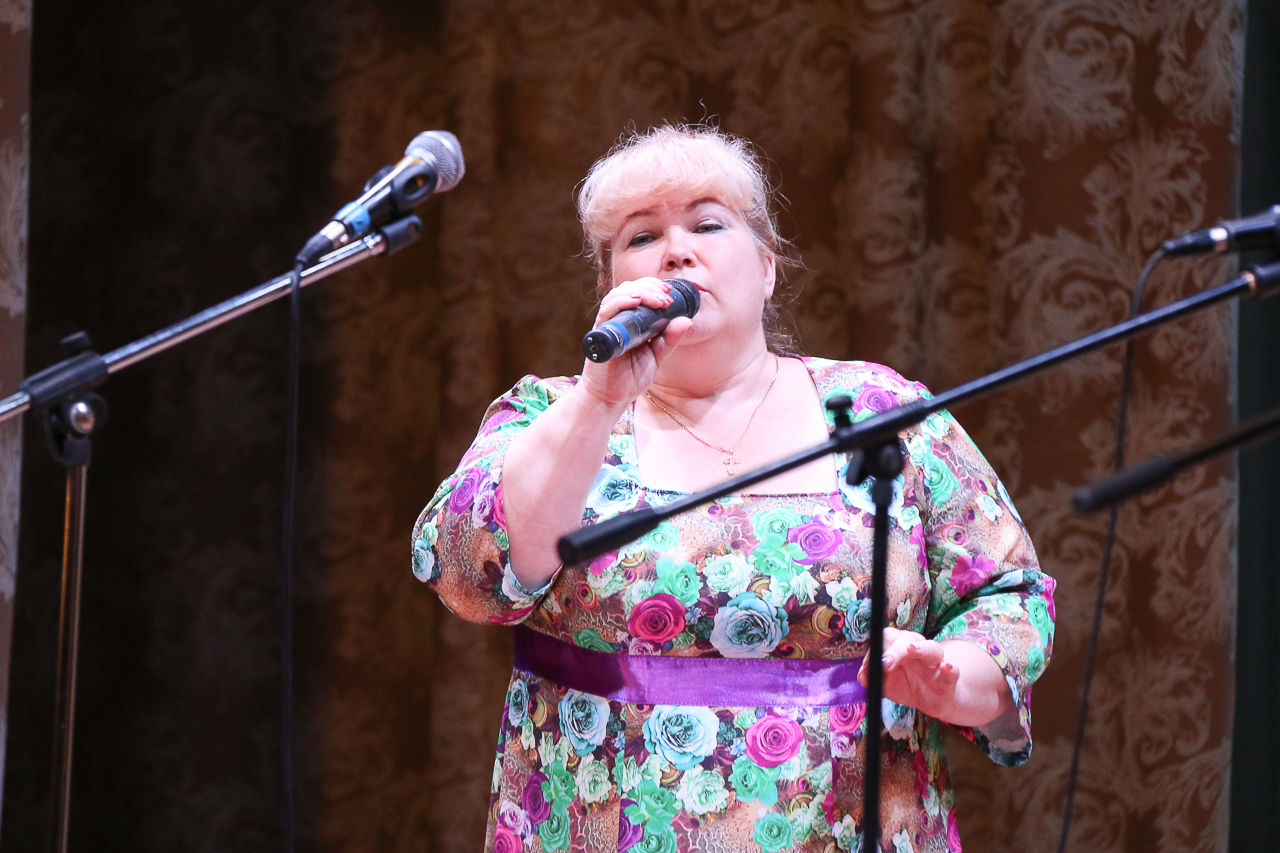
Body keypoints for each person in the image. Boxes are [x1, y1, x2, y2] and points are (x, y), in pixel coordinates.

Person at [413, 124, 1055, 853]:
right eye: (642, 237)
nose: (676, 251)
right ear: (610, 286)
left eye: (708, 224)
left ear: (767, 268)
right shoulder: (549, 415)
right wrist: (598, 401)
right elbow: (471, 578)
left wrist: (959, 679)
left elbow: (1008, 594)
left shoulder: (882, 410)